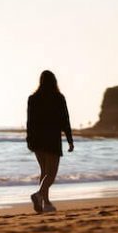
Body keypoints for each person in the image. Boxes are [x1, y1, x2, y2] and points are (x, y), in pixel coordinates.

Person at [26, 70, 74, 213]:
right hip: (52, 139)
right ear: (54, 81)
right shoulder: (58, 98)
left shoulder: (33, 98)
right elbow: (65, 120)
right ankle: (39, 195)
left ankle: (46, 203)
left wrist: (29, 140)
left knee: (44, 172)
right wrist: (70, 140)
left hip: (37, 140)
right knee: (51, 174)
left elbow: (30, 122)